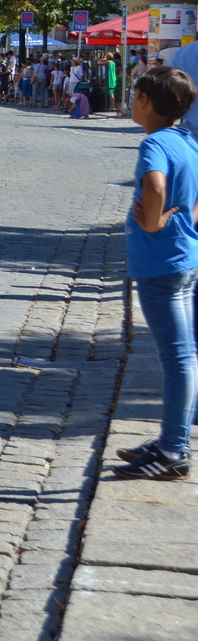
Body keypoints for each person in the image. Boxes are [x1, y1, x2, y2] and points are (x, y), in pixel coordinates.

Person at [114, 66, 198, 480]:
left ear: (146, 100)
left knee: (178, 357)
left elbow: (156, 187)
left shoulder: (155, 143)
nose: (132, 101)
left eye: (135, 94)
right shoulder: (186, 140)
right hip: (184, 258)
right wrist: (188, 222)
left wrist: (152, 222)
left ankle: (172, 450)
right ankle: (173, 437)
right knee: (186, 354)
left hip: (160, 263)